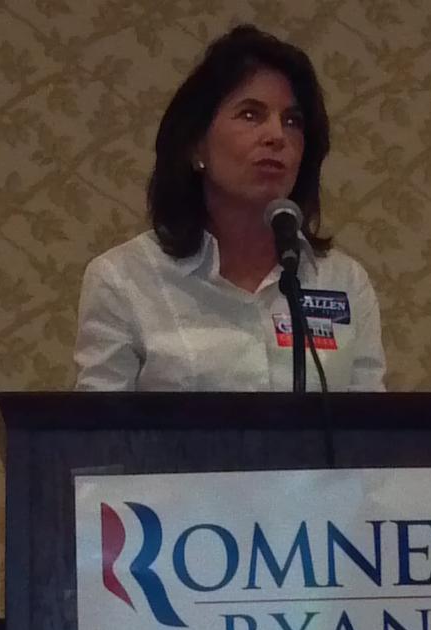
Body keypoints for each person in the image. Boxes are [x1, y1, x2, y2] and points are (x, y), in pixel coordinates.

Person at [74, 25, 386, 392]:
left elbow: (370, 438)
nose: (276, 135)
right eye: (251, 115)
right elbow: (96, 442)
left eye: (292, 121)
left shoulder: (343, 282)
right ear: (195, 146)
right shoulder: (124, 280)